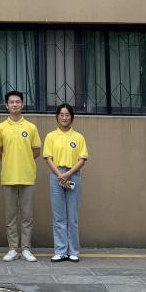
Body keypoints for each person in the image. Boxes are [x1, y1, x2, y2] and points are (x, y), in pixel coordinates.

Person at [0, 90, 41, 262]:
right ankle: (13, 248)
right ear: (6, 105)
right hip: (8, 176)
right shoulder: (0, 128)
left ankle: (26, 249)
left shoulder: (31, 127)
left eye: (18, 102)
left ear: (22, 104)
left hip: (27, 176)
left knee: (27, 216)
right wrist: (11, 161)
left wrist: (24, 161)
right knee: (10, 216)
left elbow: (36, 150)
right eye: (11, 102)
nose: (15, 104)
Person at [43, 103, 89, 262]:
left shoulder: (78, 137)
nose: (64, 117)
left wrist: (68, 174)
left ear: (72, 117)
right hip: (56, 176)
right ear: (57, 117)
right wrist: (60, 175)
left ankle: (73, 251)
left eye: (67, 115)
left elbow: (82, 159)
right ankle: (60, 250)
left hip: (73, 175)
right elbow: (48, 158)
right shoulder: (51, 136)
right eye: (61, 115)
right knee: (58, 216)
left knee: (72, 216)